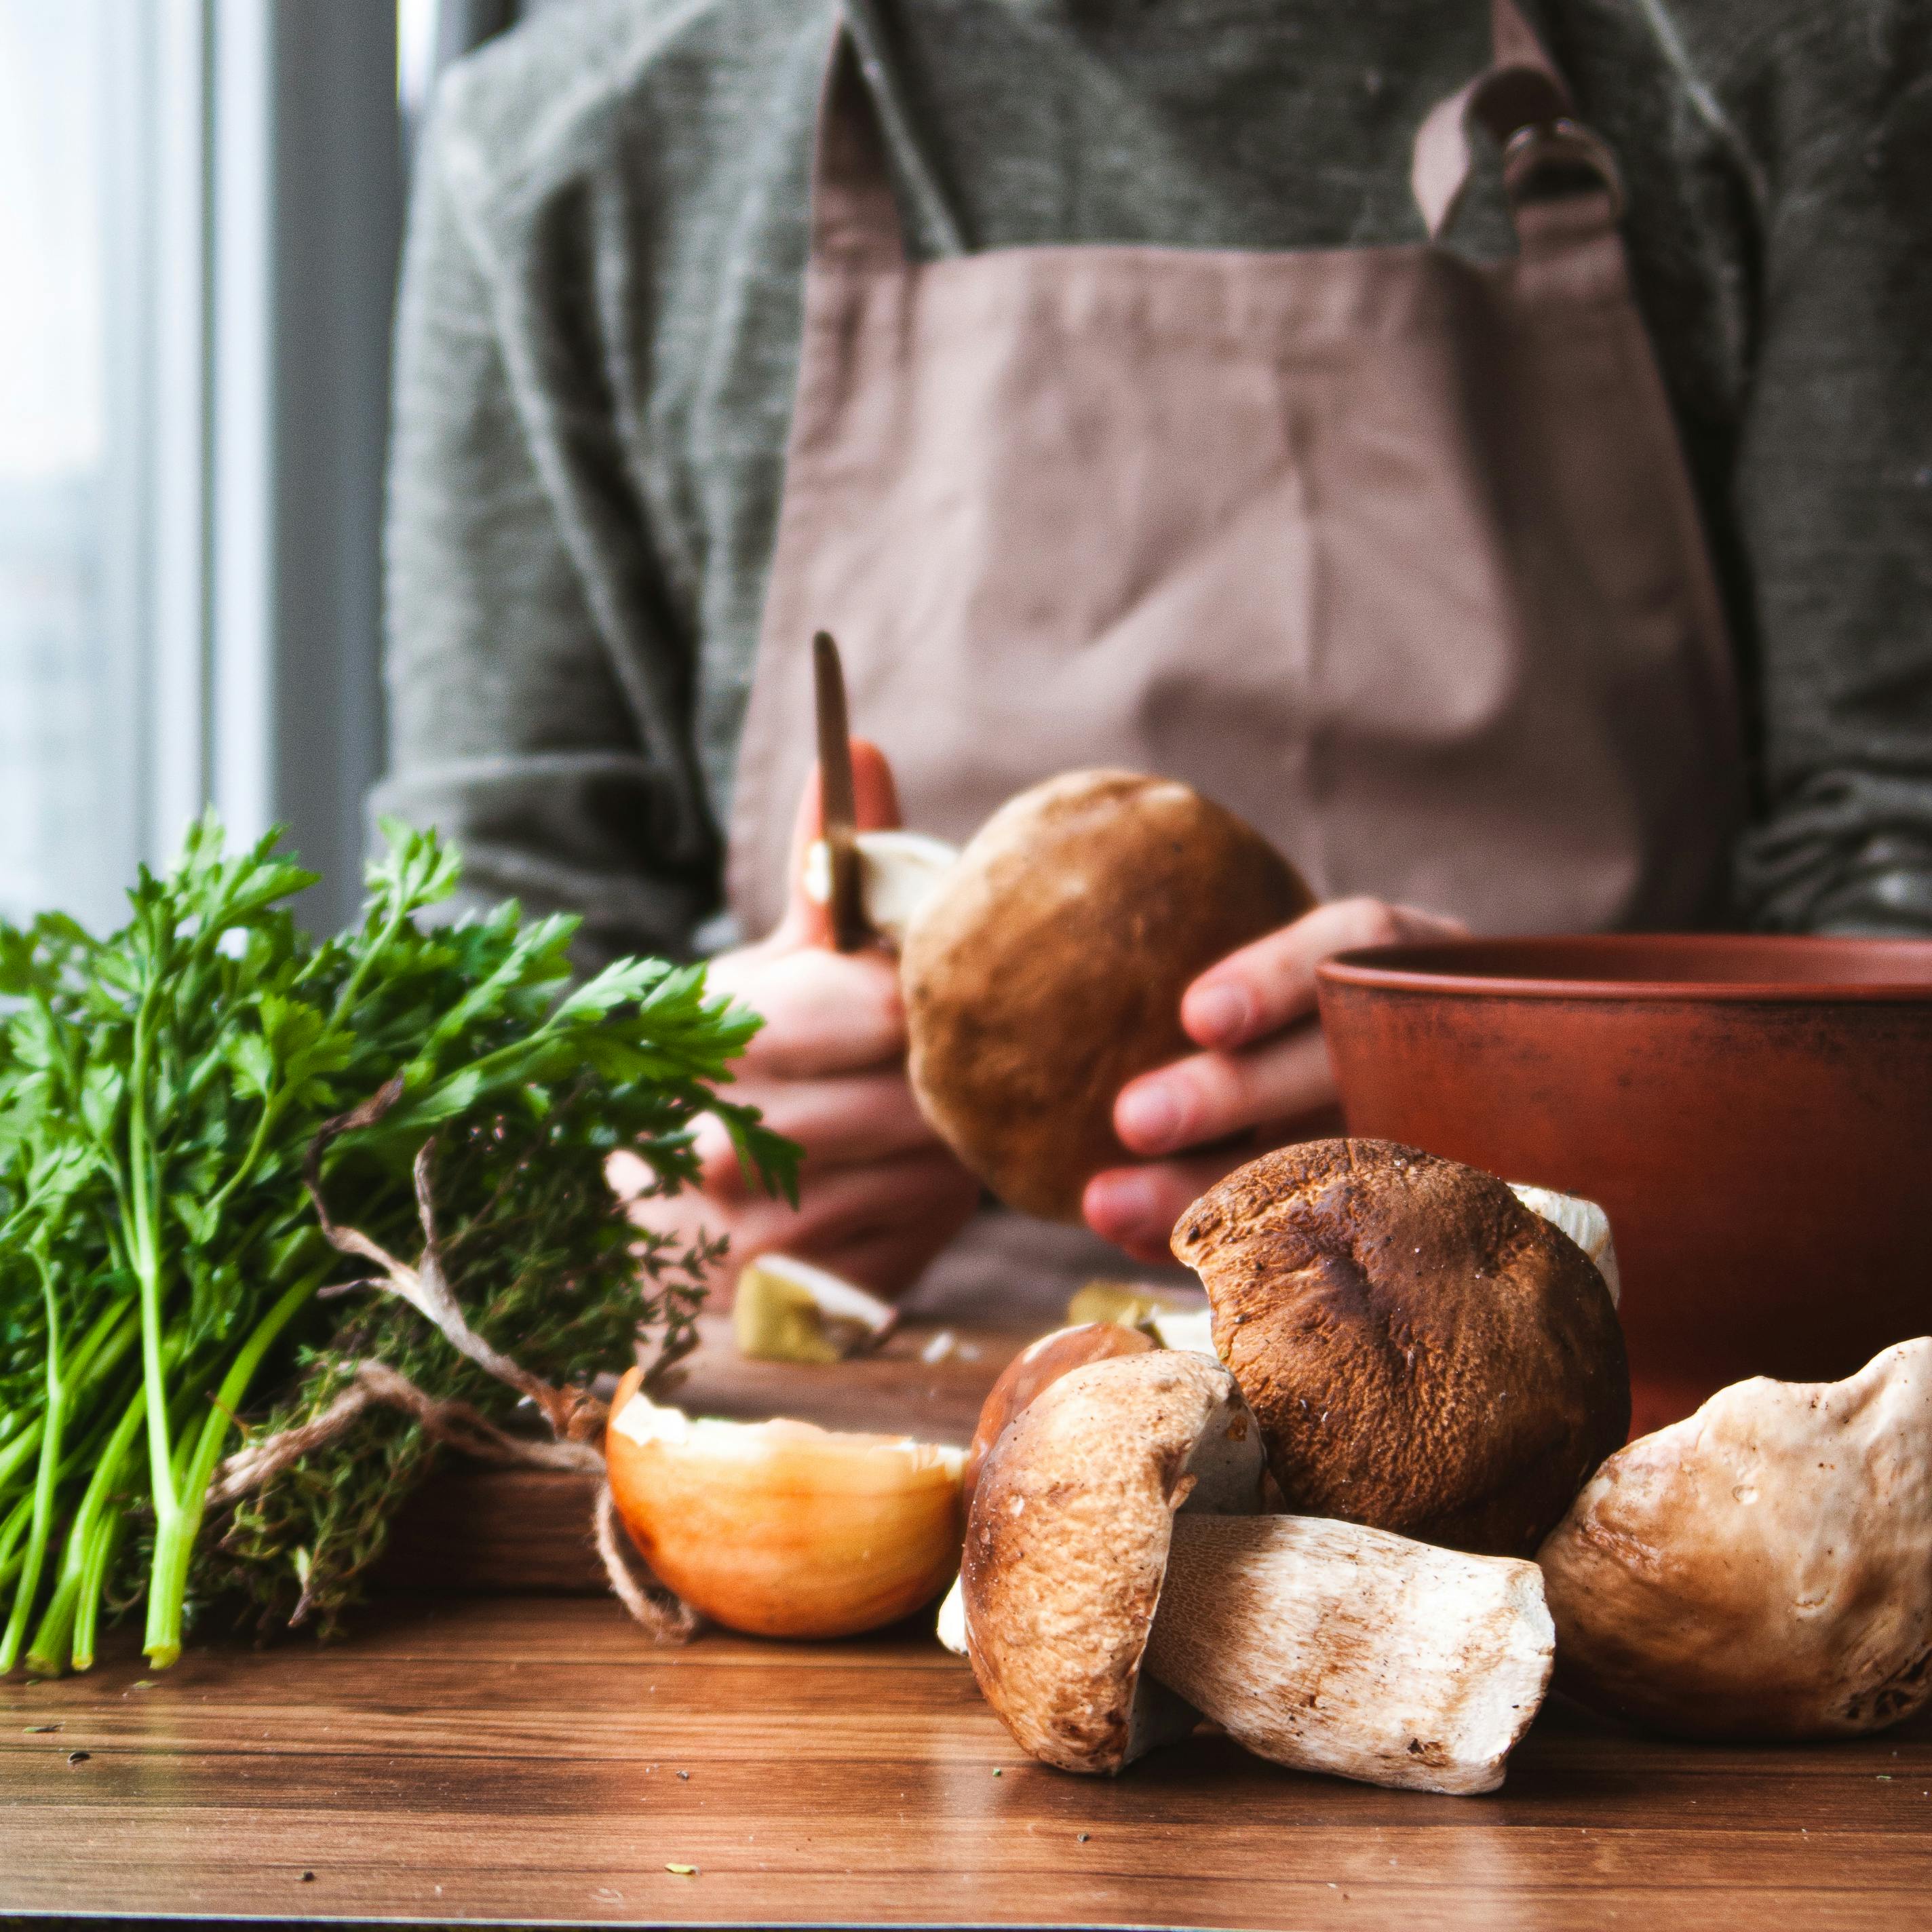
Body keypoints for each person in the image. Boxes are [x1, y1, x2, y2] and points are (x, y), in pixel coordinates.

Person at [379, 0, 1932, 1313]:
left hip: (1612, 1434)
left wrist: (1512, 1099)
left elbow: (1894, 886)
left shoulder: (1781, 62)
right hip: (855, 1472)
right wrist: (630, 1203)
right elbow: (484, 980)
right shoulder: (568, 142)